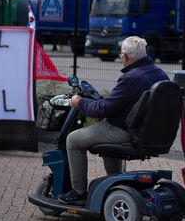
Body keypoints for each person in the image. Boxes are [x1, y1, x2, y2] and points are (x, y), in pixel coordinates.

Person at [56, 36, 169, 205]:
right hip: (149, 133)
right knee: (106, 140)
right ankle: (116, 184)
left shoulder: (131, 78)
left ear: (125, 56)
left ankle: (78, 193)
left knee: (73, 139)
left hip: (127, 131)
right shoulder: (161, 74)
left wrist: (79, 102)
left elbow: (104, 109)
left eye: (121, 56)